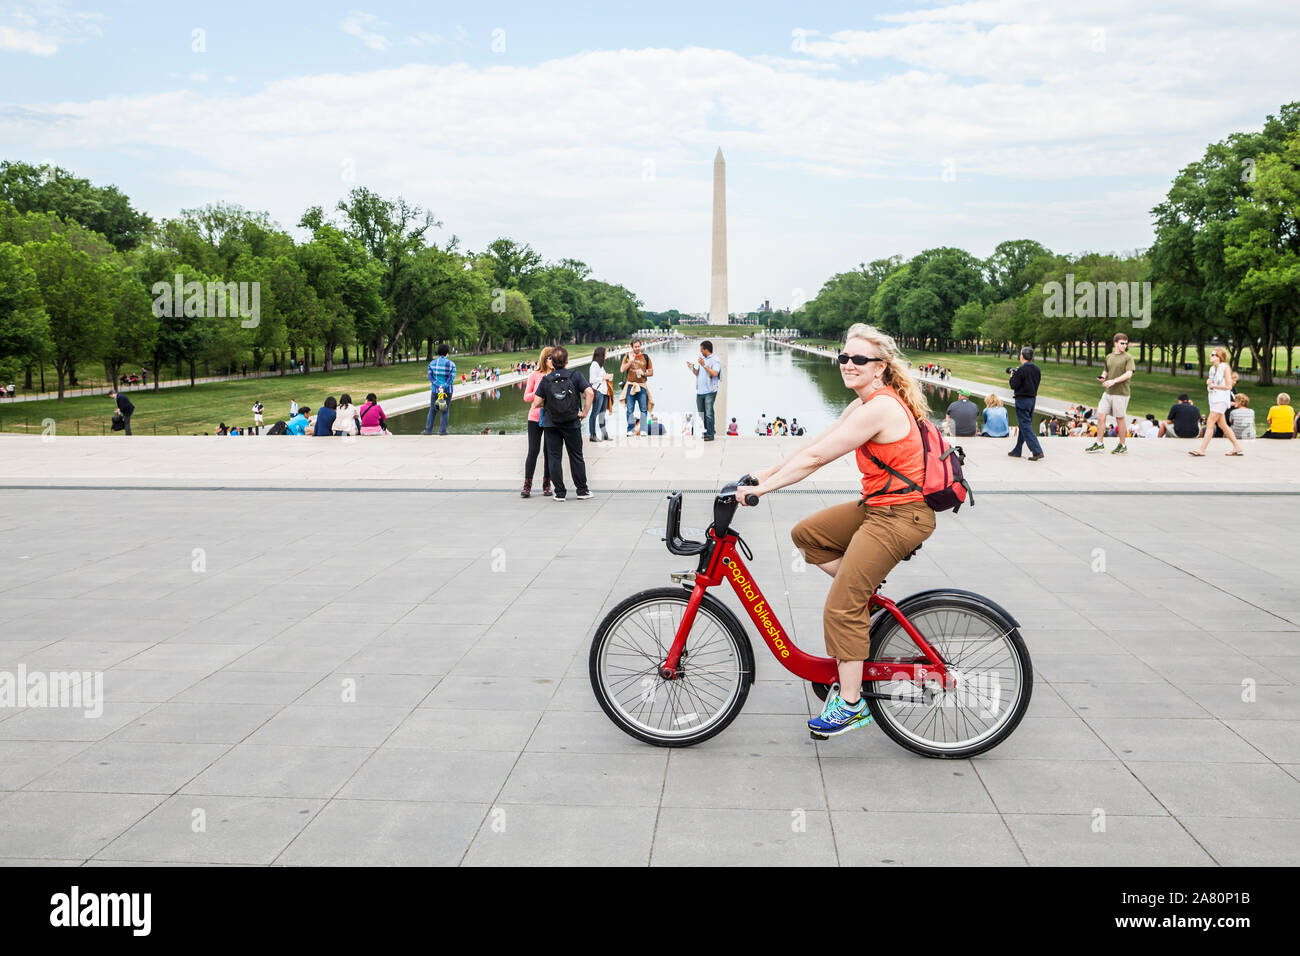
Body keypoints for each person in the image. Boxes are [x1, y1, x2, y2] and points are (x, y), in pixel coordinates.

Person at [742, 323, 936, 737]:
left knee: (841, 607)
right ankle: (860, 585)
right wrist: (767, 472)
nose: (848, 364)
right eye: (843, 357)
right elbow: (816, 443)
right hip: (877, 509)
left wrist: (765, 490)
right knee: (808, 535)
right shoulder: (862, 404)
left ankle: (851, 704)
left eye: (858, 359)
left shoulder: (880, 407)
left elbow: (817, 460)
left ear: (880, 367)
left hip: (902, 516)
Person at [531, 346, 595, 502]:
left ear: (552, 361)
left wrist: (550, 403)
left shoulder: (546, 379)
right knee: (576, 456)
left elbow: (536, 402)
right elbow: (590, 393)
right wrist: (584, 412)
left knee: (554, 457)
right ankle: (582, 490)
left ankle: (559, 492)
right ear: (567, 361)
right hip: (572, 421)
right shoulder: (575, 375)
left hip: (551, 423)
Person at [1087, 332, 1135, 454]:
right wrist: (1103, 377)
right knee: (1101, 416)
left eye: (1126, 343)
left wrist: (1114, 381)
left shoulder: (1128, 358)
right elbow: (1106, 370)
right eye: (1122, 343)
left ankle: (1122, 445)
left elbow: (1129, 373)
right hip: (1108, 393)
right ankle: (1099, 444)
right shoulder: (1109, 356)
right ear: (1115, 343)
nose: (1124, 345)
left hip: (1121, 393)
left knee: (1120, 419)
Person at [1191, 347, 1244, 456]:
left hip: (1221, 400)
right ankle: (1237, 447)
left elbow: (1229, 386)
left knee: (1210, 422)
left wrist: (1214, 385)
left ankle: (1202, 450)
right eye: (1211, 354)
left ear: (1219, 357)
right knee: (1222, 424)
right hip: (1214, 399)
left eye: (1213, 354)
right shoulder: (1212, 369)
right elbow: (1212, 382)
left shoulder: (1225, 367)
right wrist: (1209, 382)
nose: (1211, 356)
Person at [522, 346, 555, 498]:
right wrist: (540, 392)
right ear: (544, 359)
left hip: (551, 416)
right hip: (535, 416)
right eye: (550, 357)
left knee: (548, 452)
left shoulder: (557, 375)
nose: (553, 360)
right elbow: (526, 396)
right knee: (533, 451)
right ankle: (527, 484)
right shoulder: (535, 375)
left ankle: (547, 483)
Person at [1007, 347, 1044, 460]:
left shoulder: (1021, 370)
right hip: (1032, 400)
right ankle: (1017, 450)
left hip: (1022, 400)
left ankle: (1037, 451)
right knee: (1024, 425)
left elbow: (1013, 385)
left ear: (1022, 356)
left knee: (1025, 425)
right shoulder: (1037, 369)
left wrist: (1012, 376)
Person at [687, 340, 722, 441]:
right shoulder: (702, 359)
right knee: (701, 413)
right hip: (700, 391)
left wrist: (704, 365)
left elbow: (715, 373)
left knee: (709, 413)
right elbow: (698, 373)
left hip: (710, 391)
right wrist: (691, 368)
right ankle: (707, 431)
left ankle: (711, 434)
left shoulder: (715, 360)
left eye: (701, 349)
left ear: (706, 349)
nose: (700, 351)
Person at [620, 338, 654, 436]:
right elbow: (622, 369)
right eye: (635, 347)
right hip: (630, 386)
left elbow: (651, 372)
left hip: (642, 386)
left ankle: (643, 429)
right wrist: (630, 361)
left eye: (639, 346)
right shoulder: (627, 356)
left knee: (643, 409)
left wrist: (643, 373)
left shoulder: (646, 357)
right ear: (632, 347)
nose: (637, 348)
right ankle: (630, 429)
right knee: (630, 409)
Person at [423, 343, 456, 435]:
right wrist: (444, 386)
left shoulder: (432, 363)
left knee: (432, 410)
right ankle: (442, 431)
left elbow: (430, 377)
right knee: (445, 410)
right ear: (447, 353)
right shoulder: (451, 364)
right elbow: (451, 379)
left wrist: (438, 386)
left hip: (435, 390)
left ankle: (428, 430)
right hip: (447, 391)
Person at [588, 346, 612, 442]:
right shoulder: (594, 365)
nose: (606, 355)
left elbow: (602, 378)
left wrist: (607, 377)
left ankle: (604, 434)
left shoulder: (600, 365)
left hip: (604, 392)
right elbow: (592, 380)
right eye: (605, 353)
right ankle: (592, 435)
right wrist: (604, 377)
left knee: (602, 414)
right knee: (594, 414)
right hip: (598, 393)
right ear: (601, 354)